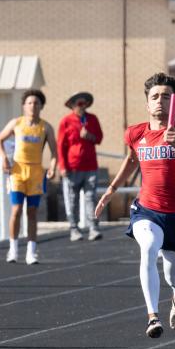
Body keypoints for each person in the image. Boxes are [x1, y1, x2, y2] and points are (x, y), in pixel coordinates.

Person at [95, 73, 175, 338]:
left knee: (174, 277)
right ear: (147, 103)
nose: (159, 101)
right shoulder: (135, 132)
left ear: (174, 102)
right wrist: (111, 189)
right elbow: (132, 161)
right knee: (148, 248)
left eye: (166, 96)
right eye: (154, 97)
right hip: (147, 210)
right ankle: (152, 316)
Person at [0, 89, 57, 265]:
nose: (32, 106)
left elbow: (54, 151)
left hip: (36, 173)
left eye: (36, 103)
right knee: (16, 210)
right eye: (29, 103)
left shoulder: (46, 127)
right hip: (17, 171)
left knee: (32, 212)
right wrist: (4, 157)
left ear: (41, 106)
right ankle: (13, 249)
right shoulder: (16, 123)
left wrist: (52, 167)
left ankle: (31, 251)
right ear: (24, 105)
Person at [57, 91, 103, 241]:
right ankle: (74, 229)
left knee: (91, 197)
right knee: (72, 199)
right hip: (72, 167)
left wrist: (89, 136)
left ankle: (93, 228)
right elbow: (61, 146)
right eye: (79, 104)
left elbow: (99, 138)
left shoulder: (92, 119)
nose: (82, 107)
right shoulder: (66, 121)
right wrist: (62, 166)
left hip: (90, 166)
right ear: (72, 106)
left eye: (84, 104)